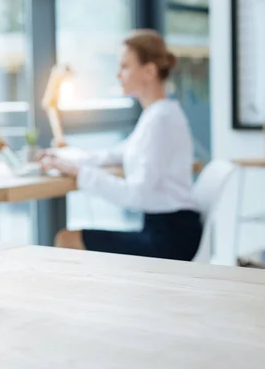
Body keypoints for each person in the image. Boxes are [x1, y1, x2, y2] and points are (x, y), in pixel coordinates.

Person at [40, 29, 202, 261]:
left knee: (67, 240)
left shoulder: (161, 120)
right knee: (70, 238)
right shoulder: (157, 115)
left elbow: (135, 195)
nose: (118, 75)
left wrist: (79, 173)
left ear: (149, 71)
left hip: (170, 238)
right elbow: (114, 154)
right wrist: (66, 158)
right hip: (168, 228)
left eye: (125, 67)